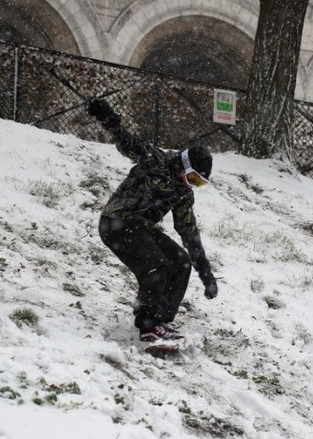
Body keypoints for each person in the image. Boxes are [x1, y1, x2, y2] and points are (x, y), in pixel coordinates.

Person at [89, 98, 218, 342]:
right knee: (157, 266)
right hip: (116, 222)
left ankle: (159, 321)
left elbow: (189, 232)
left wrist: (206, 274)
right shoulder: (154, 160)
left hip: (141, 228)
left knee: (180, 261)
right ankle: (148, 324)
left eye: (198, 183)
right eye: (192, 178)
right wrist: (109, 119)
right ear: (183, 164)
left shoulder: (182, 194)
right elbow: (127, 143)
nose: (190, 185)